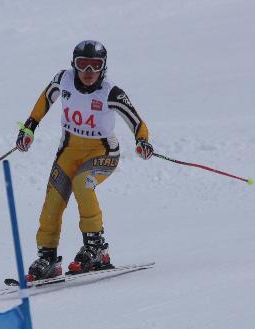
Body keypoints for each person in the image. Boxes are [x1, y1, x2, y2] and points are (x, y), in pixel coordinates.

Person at [16, 40, 153, 281]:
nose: (89, 72)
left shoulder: (111, 92)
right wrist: (29, 128)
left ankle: (96, 248)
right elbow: (44, 101)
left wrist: (142, 141)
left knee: (83, 183)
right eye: (83, 64)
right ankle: (47, 258)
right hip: (68, 153)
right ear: (74, 64)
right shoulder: (63, 80)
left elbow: (137, 123)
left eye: (95, 66)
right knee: (53, 200)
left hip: (102, 154)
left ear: (103, 67)